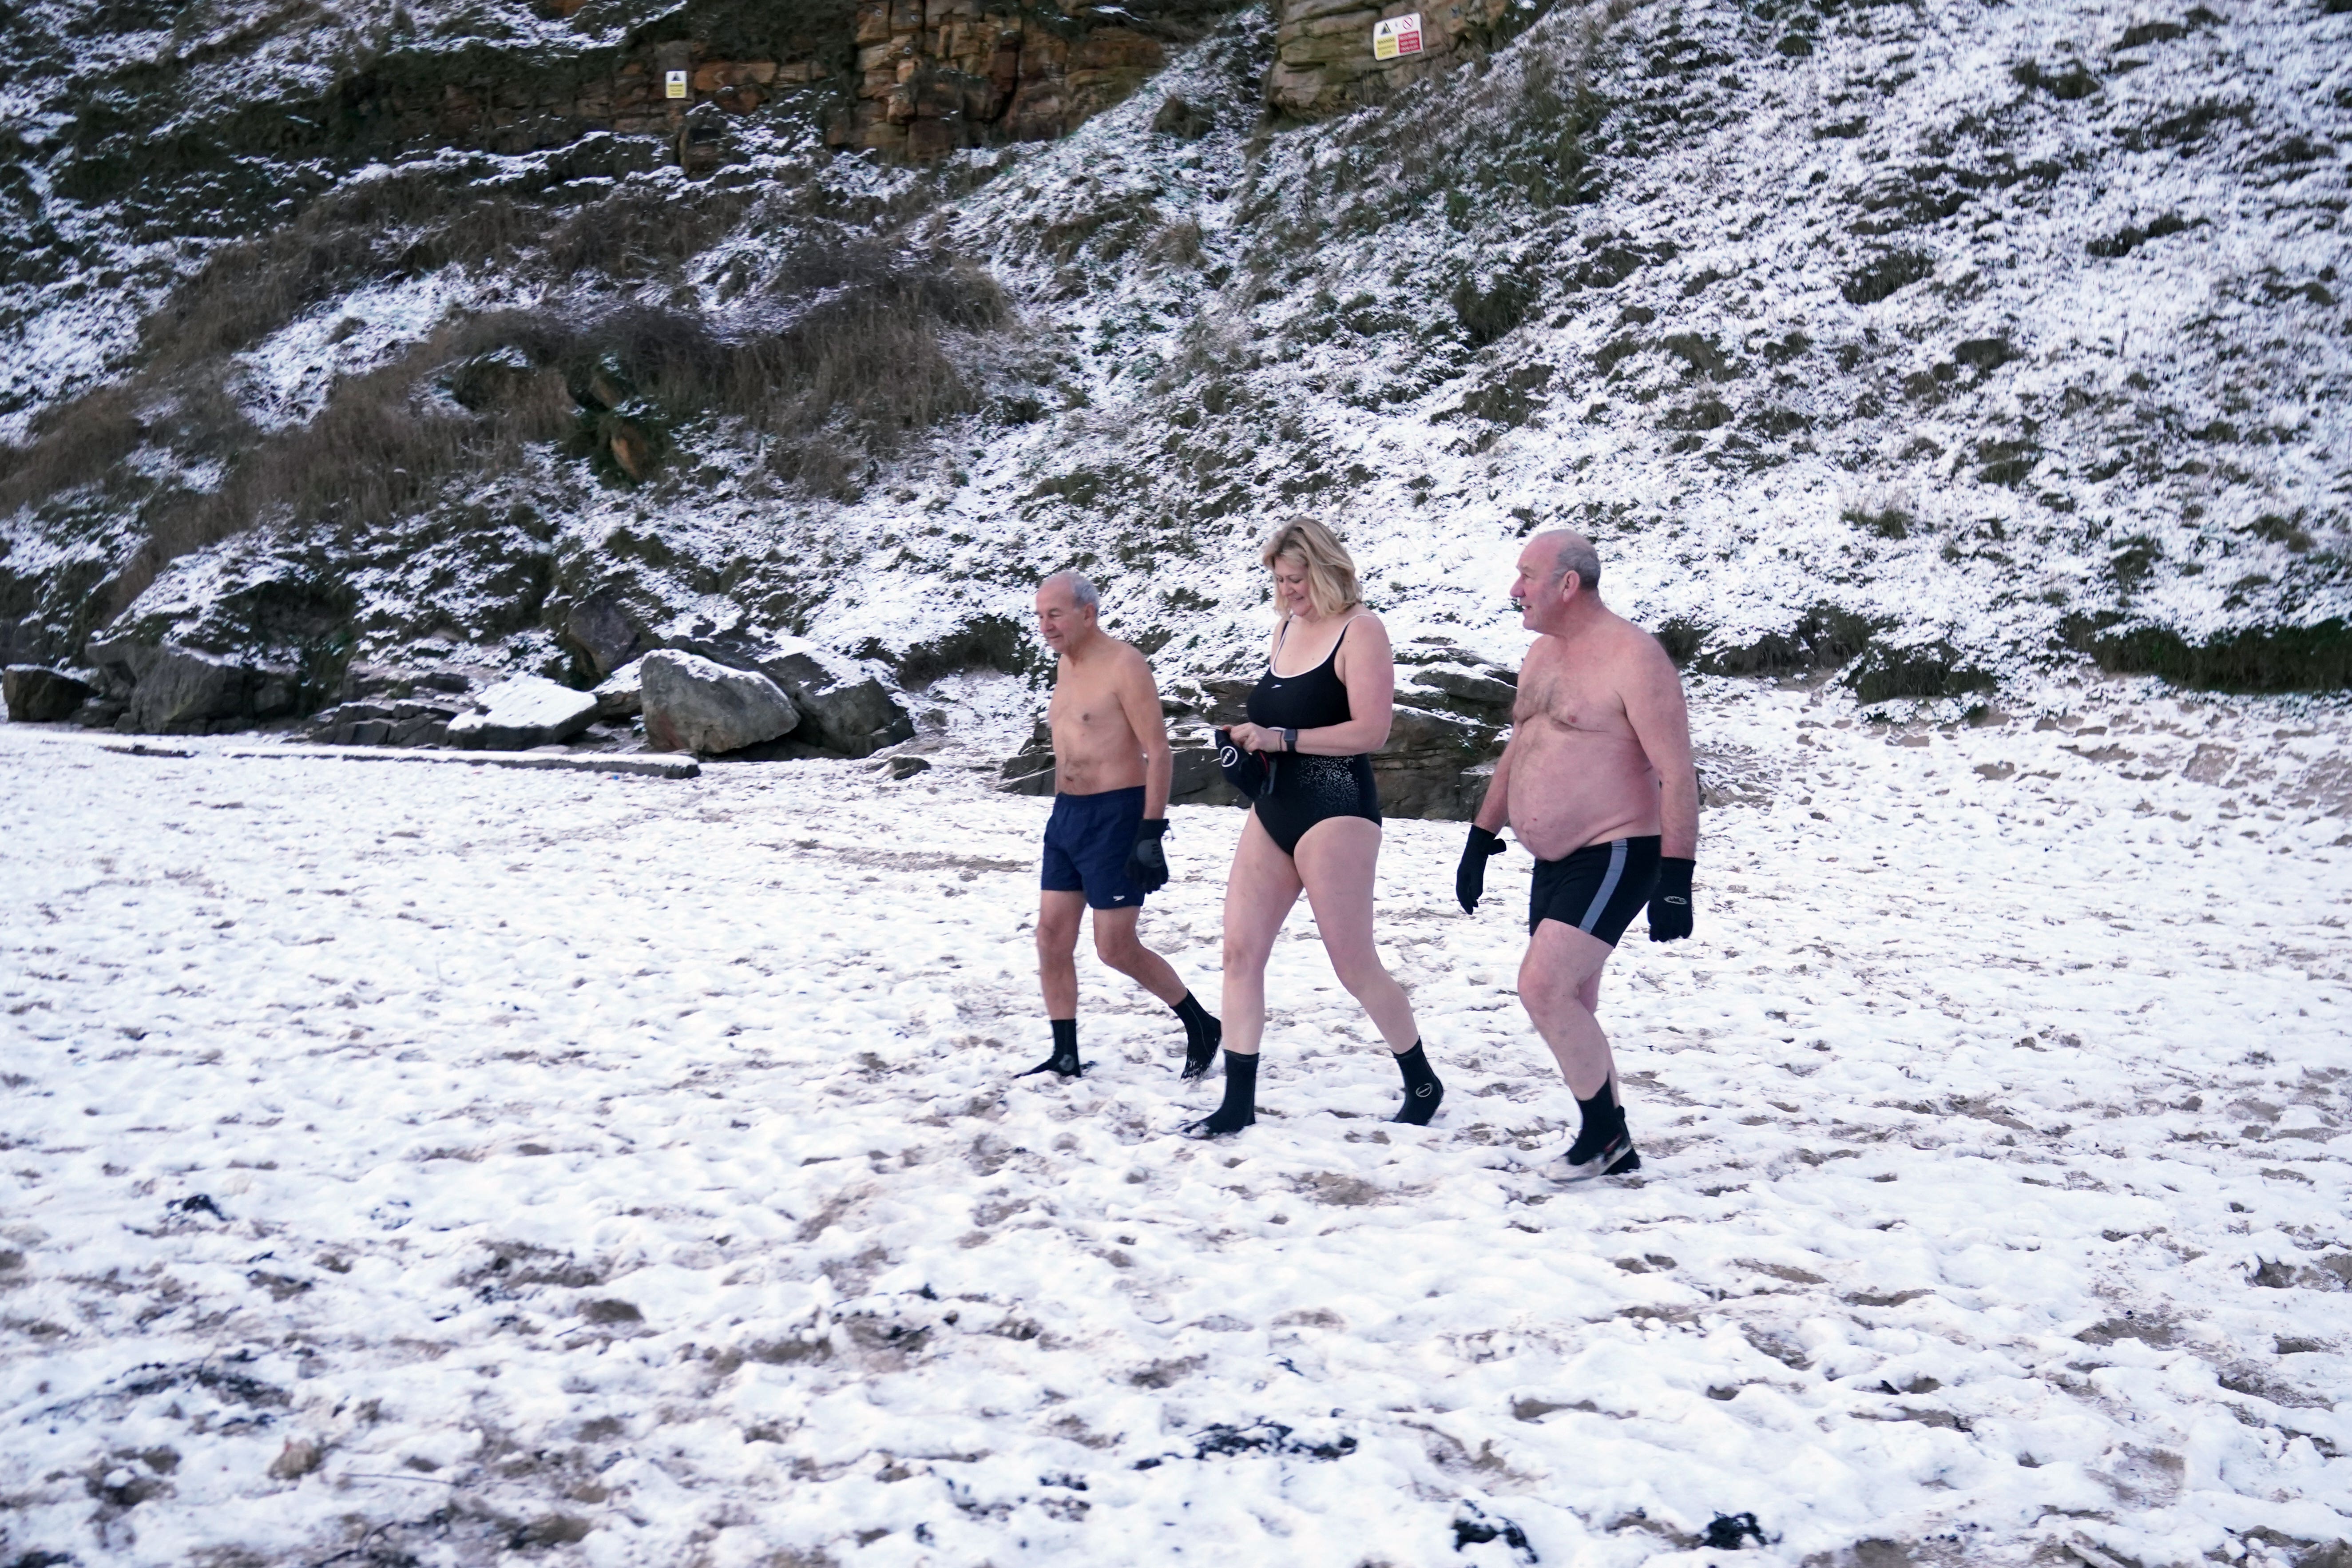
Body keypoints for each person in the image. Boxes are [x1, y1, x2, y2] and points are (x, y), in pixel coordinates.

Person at [1188, 517, 1443, 1137]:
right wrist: (1248, 741)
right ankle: (1237, 1101)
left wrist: (1286, 737)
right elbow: (1273, 718)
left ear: (1325, 570)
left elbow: (1372, 731)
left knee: (1352, 962)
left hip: (1337, 808)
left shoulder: (1363, 630)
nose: (1288, 591)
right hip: (1274, 806)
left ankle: (1422, 1079)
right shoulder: (1284, 628)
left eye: (1296, 579)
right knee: (1239, 951)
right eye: (1279, 580)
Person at [1456, 530, 1697, 1180]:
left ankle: (1604, 1136)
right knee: (1573, 1004)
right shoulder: (1540, 655)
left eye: (1526, 576)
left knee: (1543, 986)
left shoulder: (1634, 658)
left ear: (1568, 583)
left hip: (1617, 847)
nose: (1514, 590)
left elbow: (1677, 772)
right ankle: (1613, 1147)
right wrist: (1482, 836)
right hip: (1552, 856)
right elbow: (1522, 746)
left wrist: (1677, 878)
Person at [1026, 571, 1222, 1080]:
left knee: (1114, 947)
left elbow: (1158, 752)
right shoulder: (1065, 668)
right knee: (1050, 936)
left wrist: (1150, 831)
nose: (1045, 626)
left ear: (1087, 614)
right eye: (1040, 615)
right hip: (1066, 816)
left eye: (1055, 614)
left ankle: (1201, 1024)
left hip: (1116, 815)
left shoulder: (1124, 664)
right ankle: (1064, 1053)